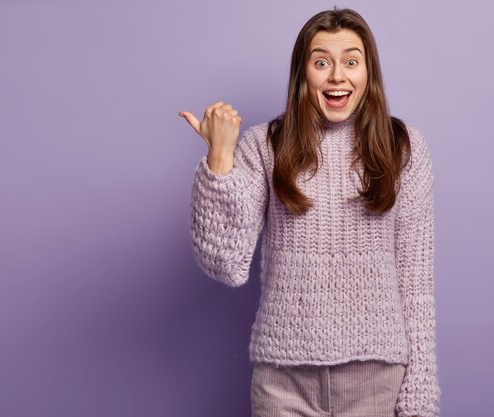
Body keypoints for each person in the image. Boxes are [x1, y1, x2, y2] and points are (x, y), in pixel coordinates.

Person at [178, 7, 440, 417]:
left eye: (351, 61)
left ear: (368, 72)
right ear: (303, 73)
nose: (337, 75)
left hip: (376, 381)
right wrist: (220, 159)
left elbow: (416, 284)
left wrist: (420, 396)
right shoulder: (264, 146)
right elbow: (226, 264)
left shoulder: (404, 147)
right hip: (283, 383)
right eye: (322, 62)